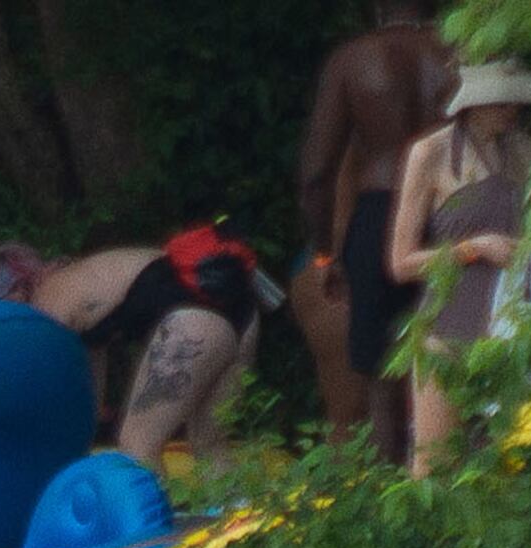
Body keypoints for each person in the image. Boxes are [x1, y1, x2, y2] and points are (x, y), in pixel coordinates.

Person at [299, 4, 459, 465]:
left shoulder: (353, 59)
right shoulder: (461, 52)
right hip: (451, 208)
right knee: (463, 359)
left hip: (380, 211)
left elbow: (317, 172)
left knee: (383, 378)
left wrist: (325, 252)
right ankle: (470, 496)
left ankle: (392, 505)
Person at [388, 63, 531, 478]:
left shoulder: (528, 153)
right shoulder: (432, 152)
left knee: (506, 468)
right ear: (476, 103)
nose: (513, 108)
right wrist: (472, 249)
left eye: (517, 99)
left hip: (510, 330)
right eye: (503, 100)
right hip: (447, 327)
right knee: (435, 466)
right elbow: (401, 262)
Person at [23, 235, 272, 461]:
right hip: (242, 310)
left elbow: (38, 401)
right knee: (210, 443)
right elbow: (87, 414)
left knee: (137, 446)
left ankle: (154, 513)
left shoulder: (45, 300)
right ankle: (246, 511)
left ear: (20, 289)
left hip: (194, 319)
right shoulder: (84, 295)